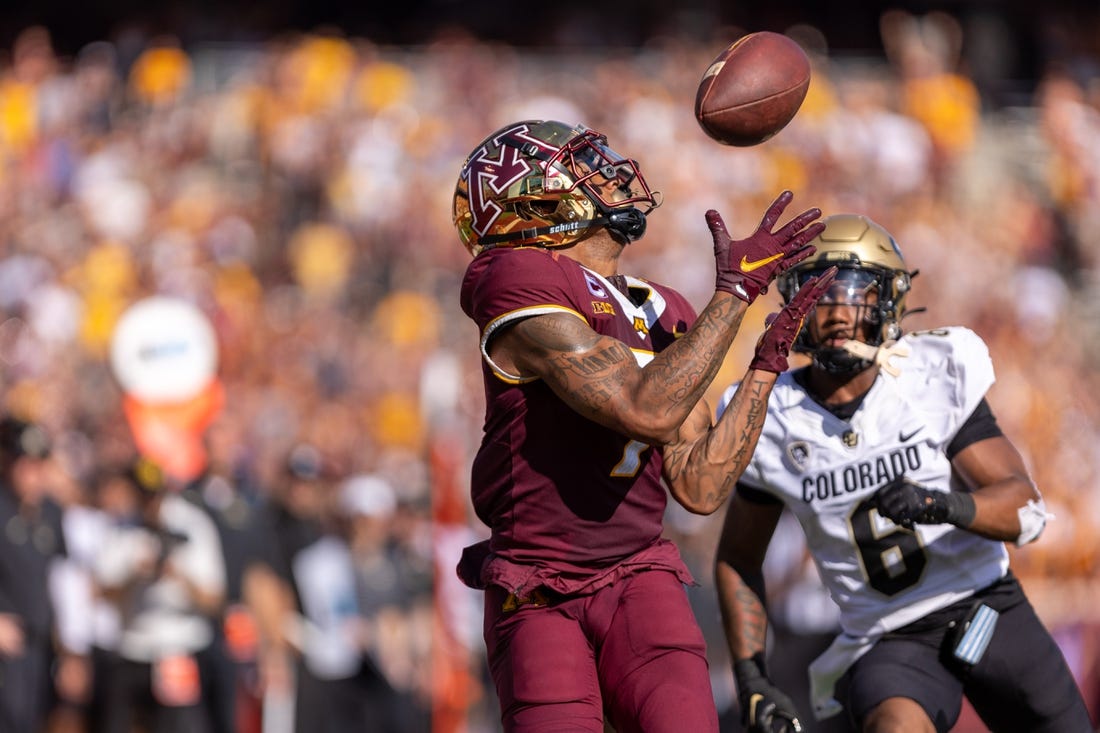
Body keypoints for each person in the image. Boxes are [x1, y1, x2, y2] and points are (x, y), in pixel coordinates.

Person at [451, 118, 835, 733]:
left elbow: (700, 487)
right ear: (529, 201)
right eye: (585, 163)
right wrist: (734, 295)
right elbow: (644, 409)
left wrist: (764, 366)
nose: (614, 169)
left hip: (638, 571)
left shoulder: (663, 307)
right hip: (540, 584)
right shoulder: (516, 277)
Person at [712, 213, 1095, 733]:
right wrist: (752, 676)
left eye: (855, 292)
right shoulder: (771, 415)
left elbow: (1024, 509)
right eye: (822, 292)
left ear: (887, 298)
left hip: (985, 604)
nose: (840, 311)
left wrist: (944, 506)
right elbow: (738, 558)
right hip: (887, 637)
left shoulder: (928, 375)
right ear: (796, 304)